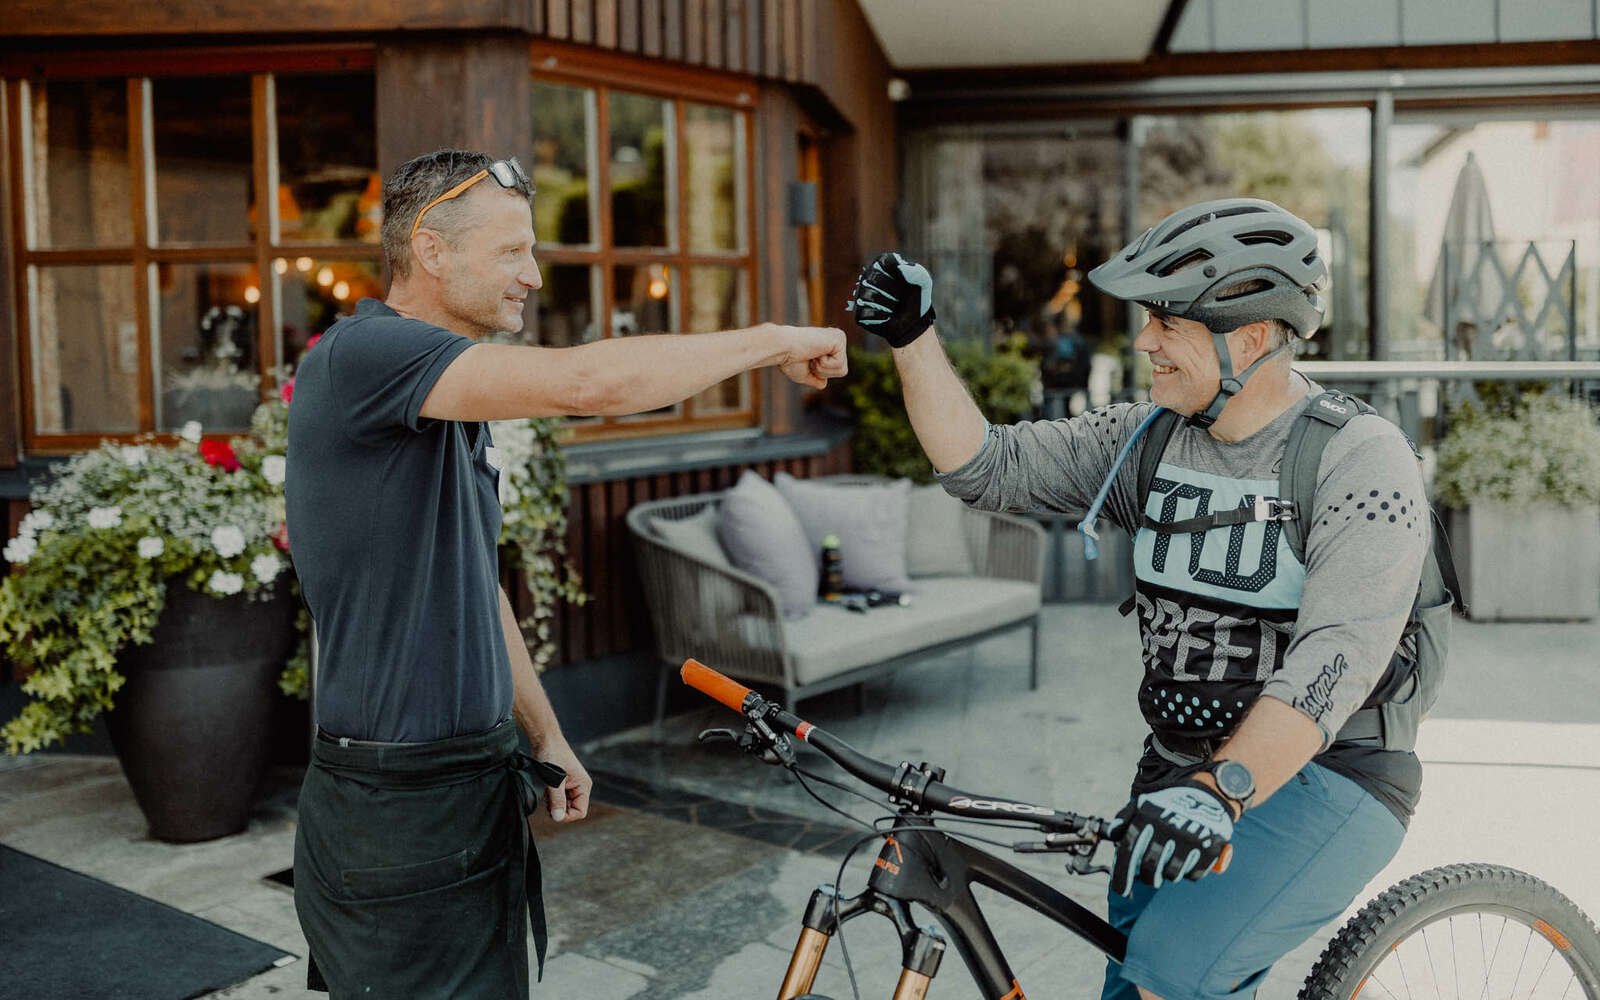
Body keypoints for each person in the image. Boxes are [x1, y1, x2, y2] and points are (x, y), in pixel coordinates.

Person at [285, 148, 846, 998]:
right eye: (512, 251)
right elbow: (590, 383)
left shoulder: (446, 400)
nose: (534, 276)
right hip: (397, 809)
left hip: (466, 785)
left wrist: (544, 736)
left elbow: (475, 587)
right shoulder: (365, 354)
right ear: (431, 250)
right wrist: (773, 342)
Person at [848, 198, 1427, 1000]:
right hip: (1176, 772)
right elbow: (986, 467)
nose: (1144, 341)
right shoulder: (1147, 439)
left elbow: (1338, 658)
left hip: (1328, 775)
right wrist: (913, 340)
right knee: (1130, 980)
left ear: (1249, 339)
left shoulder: (1358, 458)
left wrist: (1222, 791)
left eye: (1168, 323)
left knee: (1169, 971)